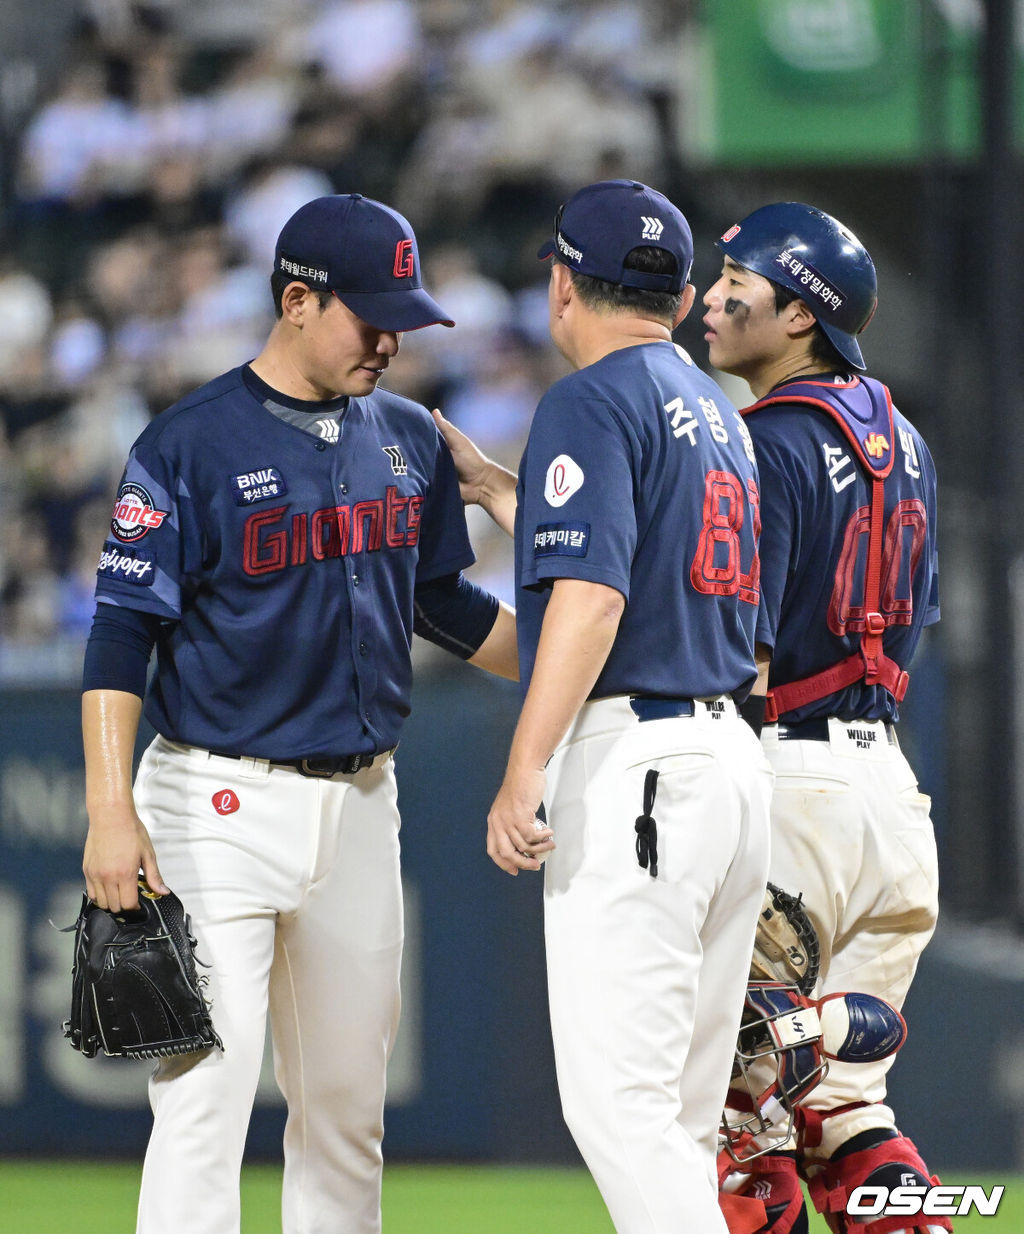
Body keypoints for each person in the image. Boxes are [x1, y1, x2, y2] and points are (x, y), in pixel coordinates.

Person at [80, 192, 517, 1234]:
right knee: (201, 1105)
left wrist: (588, 663)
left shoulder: (409, 435)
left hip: (363, 801)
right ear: (294, 300)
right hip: (210, 800)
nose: (390, 337)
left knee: (346, 1116)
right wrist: (108, 810)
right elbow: (119, 633)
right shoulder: (190, 441)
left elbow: (448, 610)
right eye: (370, 314)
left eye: (401, 314)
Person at [435, 178, 773, 1234]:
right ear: (678, 299)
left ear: (560, 286)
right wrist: (510, 492)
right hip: (726, 763)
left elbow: (590, 599)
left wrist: (523, 769)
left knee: (618, 1108)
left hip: (642, 770)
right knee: (676, 1118)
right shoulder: (722, 415)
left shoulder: (587, 398)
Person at [703, 203, 946, 1234]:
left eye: (737, 280)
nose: (713, 296)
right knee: (844, 1101)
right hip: (887, 795)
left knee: (734, 1111)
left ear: (799, 313)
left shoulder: (762, 442)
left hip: (786, 781)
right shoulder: (906, 437)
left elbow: (744, 652)